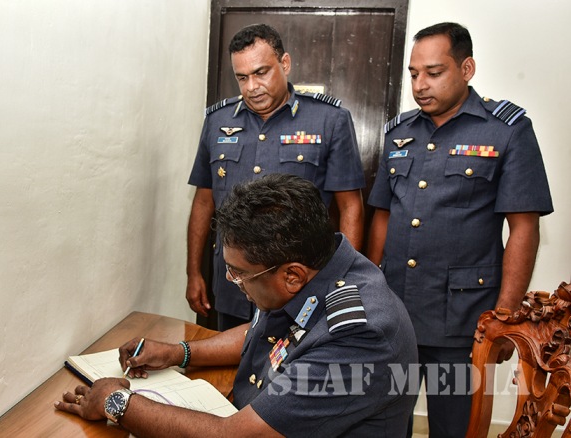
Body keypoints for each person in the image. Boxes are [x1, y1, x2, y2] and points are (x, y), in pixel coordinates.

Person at [56, 174, 417, 437]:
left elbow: (235, 436)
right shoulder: (320, 261)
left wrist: (116, 402)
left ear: (292, 275)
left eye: (240, 273)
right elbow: (277, 334)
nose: (233, 280)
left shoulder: (357, 335)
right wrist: (180, 352)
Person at [366, 22, 554, 437]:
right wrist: (369, 290)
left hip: (463, 318)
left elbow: (523, 228)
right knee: (381, 424)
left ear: (466, 69)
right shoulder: (400, 132)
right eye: (414, 74)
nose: (420, 85)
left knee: (454, 428)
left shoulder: (506, 130)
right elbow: (383, 214)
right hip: (394, 311)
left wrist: (503, 318)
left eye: (433, 73)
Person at [186, 23, 366, 330]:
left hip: (296, 286)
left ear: (285, 63)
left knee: (294, 361)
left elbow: (351, 207)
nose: (252, 86)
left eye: (261, 72)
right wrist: (193, 273)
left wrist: (342, 280)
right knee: (229, 358)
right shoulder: (217, 121)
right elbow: (204, 202)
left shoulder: (329, 120)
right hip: (233, 283)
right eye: (242, 77)